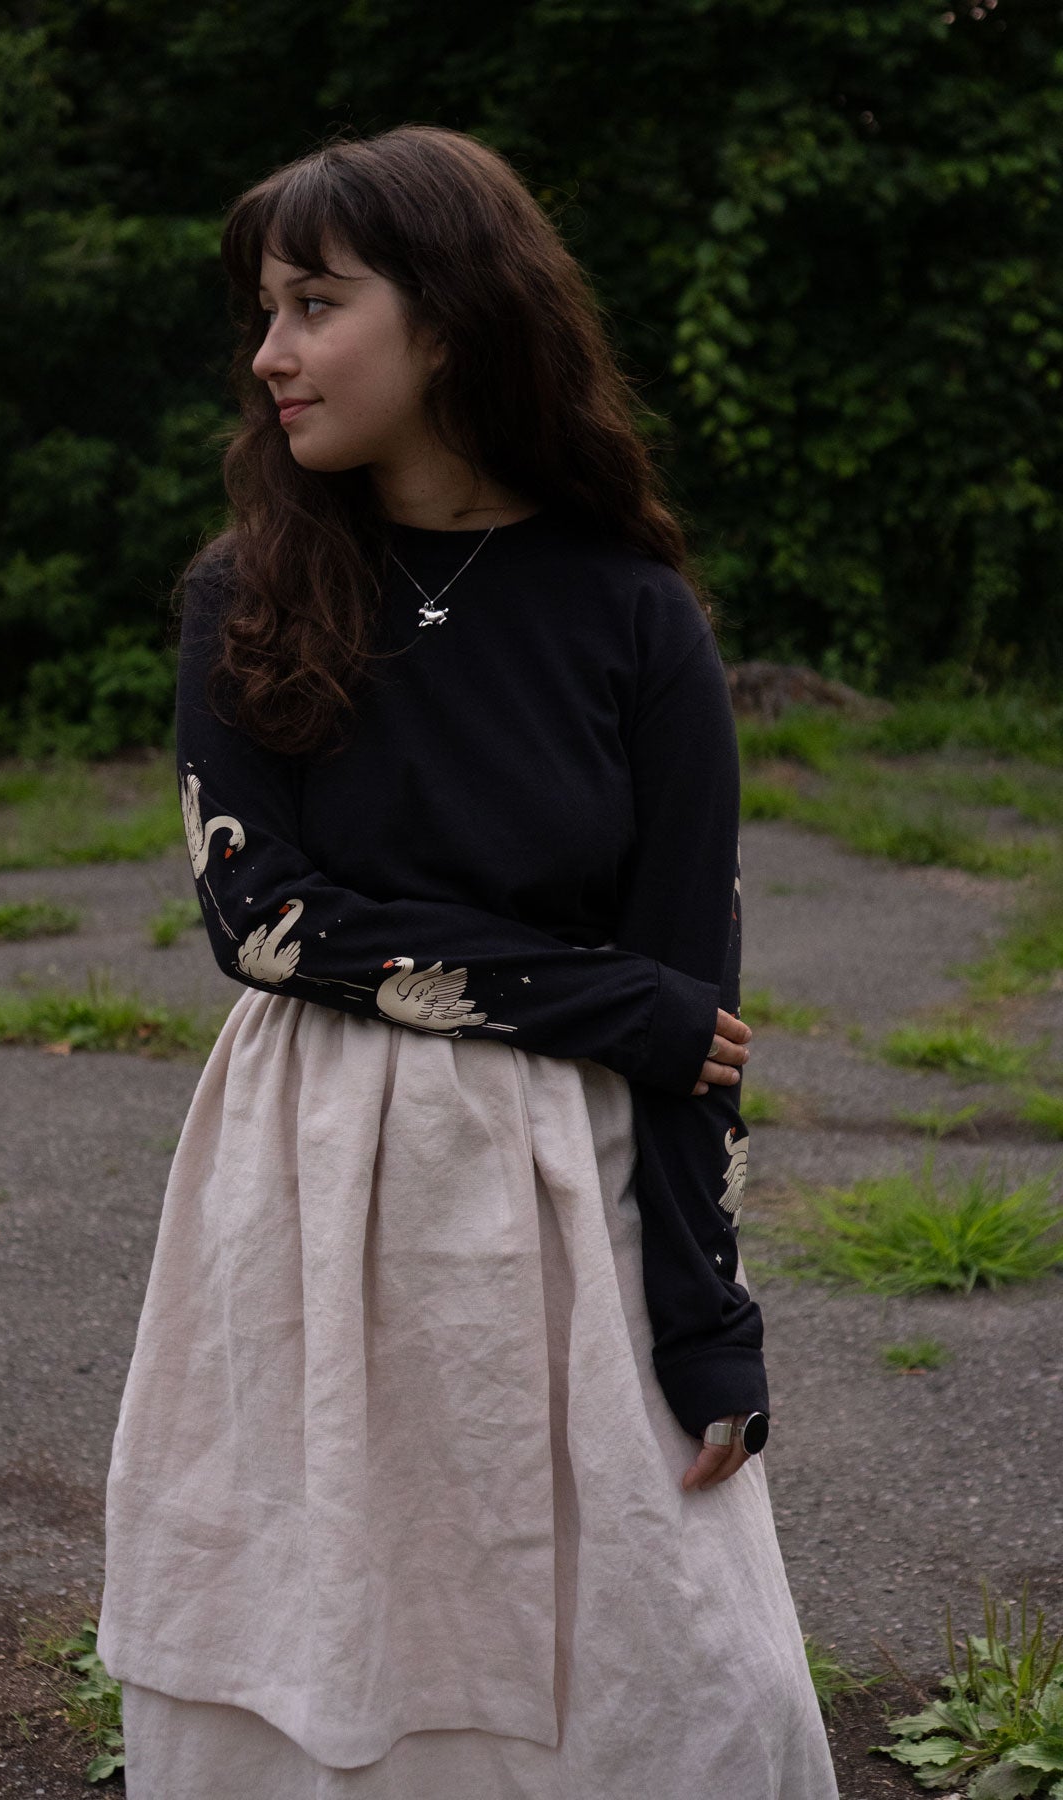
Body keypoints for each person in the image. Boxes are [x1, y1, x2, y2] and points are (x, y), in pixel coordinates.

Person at [96, 123, 839, 1798]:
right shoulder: (249, 594)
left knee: (676, 1663)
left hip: (565, 1194)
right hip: (310, 1173)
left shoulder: (633, 615)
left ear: (447, 314)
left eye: (315, 302)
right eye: (262, 313)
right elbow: (264, 925)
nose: (271, 352)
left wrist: (709, 1317)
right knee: (325, 1607)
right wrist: (601, 1001)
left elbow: (689, 1003)